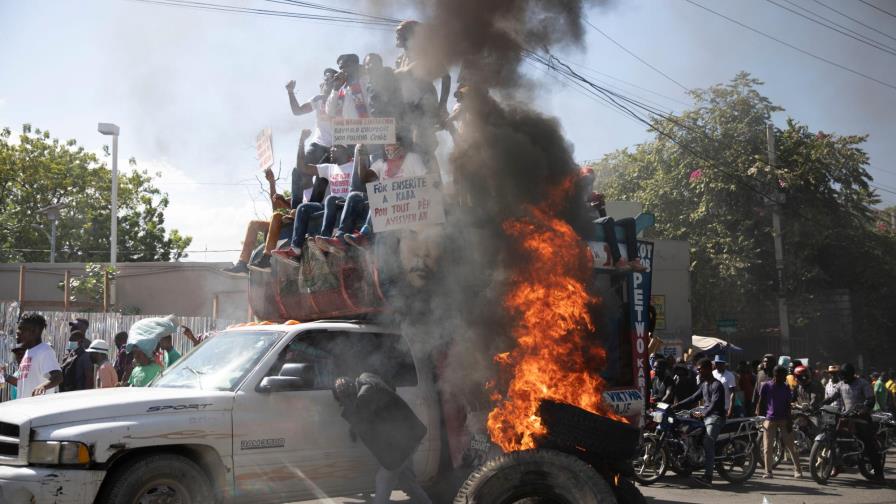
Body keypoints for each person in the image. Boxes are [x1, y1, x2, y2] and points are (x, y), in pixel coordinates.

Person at [332, 373, 432, 504]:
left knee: (383, 480)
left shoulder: (364, 398)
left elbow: (368, 434)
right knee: (408, 483)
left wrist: (353, 424)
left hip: (403, 443)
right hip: (411, 435)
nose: (344, 404)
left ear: (349, 394)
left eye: (343, 401)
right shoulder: (368, 382)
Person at [315, 141, 427, 254]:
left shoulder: (412, 159)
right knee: (355, 196)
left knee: (381, 195)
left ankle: (366, 235)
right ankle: (340, 240)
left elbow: (425, 180)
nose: (388, 147)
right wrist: (362, 155)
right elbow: (364, 178)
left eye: (392, 144)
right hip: (384, 204)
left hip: (405, 203)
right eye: (386, 145)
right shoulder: (381, 163)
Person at [276, 129, 355, 260]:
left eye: (334, 147)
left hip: (347, 204)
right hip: (331, 205)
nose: (331, 150)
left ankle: (324, 241)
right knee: (302, 208)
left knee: (331, 198)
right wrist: (301, 142)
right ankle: (296, 249)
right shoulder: (329, 168)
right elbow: (301, 167)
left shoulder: (354, 165)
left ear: (344, 149)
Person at [823, 363, 884, 482]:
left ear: (851, 374)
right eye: (842, 375)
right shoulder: (841, 384)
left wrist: (863, 410)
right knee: (835, 438)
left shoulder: (863, 383)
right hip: (846, 417)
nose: (843, 378)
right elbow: (832, 397)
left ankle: (879, 474)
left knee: (869, 444)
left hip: (862, 418)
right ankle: (838, 465)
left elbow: (870, 400)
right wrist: (821, 404)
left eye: (845, 375)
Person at [224, 168, 292, 273]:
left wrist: (287, 206)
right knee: (253, 224)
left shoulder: (312, 193)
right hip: (281, 223)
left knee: (277, 215)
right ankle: (242, 263)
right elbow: (276, 205)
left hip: (293, 224)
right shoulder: (297, 195)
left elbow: (298, 210)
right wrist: (272, 182)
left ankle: (266, 259)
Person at [671, 358, 725, 487]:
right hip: (704, 414)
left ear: (708, 369)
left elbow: (714, 405)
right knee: (684, 427)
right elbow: (693, 398)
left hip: (715, 417)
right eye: (698, 369)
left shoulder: (717, 385)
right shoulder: (704, 385)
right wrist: (677, 405)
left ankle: (708, 477)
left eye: (700, 369)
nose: (698, 371)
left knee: (708, 441)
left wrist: (701, 414)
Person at [757, 365, 803, 479]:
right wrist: (760, 417)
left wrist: (789, 421)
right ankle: (768, 471)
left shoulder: (786, 387)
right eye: (783, 375)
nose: (785, 378)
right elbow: (761, 402)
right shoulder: (766, 386)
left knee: (791, 445)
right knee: (767, 448)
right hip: (769, 419)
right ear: (776, 375)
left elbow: (788, 405)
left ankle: (798, 470)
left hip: (784, 419)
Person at [2, 313, 62, 397]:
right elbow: (22, 384)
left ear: (35, 331)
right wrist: (4, 376)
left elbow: (58, 376)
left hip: (39, 408)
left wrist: (43, 386)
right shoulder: (28, 352)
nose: (17, 332)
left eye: (21, 329)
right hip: (26, 407)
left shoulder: (45, 350)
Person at [287, 67, 338, 164]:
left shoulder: (343, 97)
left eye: (330, 79)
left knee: (323, 178)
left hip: (337, 148)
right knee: (300, 170)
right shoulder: (318, 99)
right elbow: (297, 111)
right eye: (325, 79)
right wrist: (290, 91)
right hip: (319, 144)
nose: (327, 81)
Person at [587, 192, 646, 272]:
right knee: (608, 219)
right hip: (588, 223)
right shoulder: (577, 195)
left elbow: (603, 217)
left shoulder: (594, 198)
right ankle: (617, 259)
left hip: (600, 222)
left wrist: (601, 206)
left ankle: (633, 259)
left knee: (630, 221)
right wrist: (591, 206)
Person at [326, 54, 370, 119]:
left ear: (355, 65)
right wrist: (335, 88)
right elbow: (330, 112)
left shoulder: (367, 82)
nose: (342, 71)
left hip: (368, 127)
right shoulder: (341, 89)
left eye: (345, 67)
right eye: (341, 68)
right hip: (347, 128)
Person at [59, 327, 94, 392]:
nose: (70, 342)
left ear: (80, 341)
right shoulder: (70, 355)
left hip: (78, 392)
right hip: (66, 390)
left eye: (73, 340)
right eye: (70, 340)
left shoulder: (85, 356)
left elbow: (89, 377)